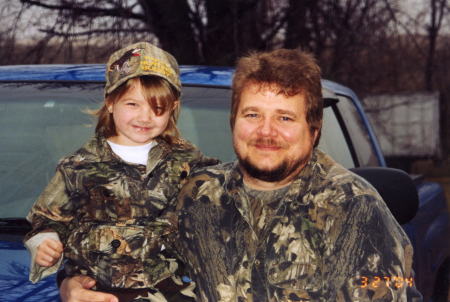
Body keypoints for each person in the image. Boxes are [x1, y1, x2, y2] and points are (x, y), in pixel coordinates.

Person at [60, 48, 423, 301]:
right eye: (252, 115)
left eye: (284, 117)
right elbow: (118, 247)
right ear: (234, 122)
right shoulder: (198, 194)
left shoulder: (355, 210)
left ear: (313, 130)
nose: (266, 132)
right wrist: (71, 283)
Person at [24, 41, 218, 302]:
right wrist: (45, 244)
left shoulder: (187, 161)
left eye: (157, 108)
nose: (145, 117)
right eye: (132, 104)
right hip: (96, 289)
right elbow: (47, 219)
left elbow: (221, 197)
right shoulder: (79, 165)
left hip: (168, 290)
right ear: (111, 102)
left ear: (172, 108)